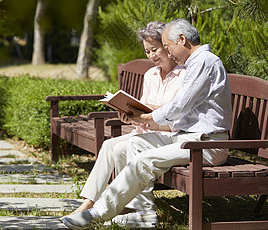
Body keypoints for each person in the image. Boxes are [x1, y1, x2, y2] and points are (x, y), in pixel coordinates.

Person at [61, 18, 232, 229]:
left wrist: (146, 117)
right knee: (135, 144)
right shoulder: (197, 62)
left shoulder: (205, 61)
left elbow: (180, 106)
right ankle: (143, 213)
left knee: (144, 159)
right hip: (189, 138)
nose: (169, 53)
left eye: (168, 47)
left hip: (206, 144)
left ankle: (98, 213)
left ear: (182, 40)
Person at [64, 21, 185, 218]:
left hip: (167, 136)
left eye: (155, 49)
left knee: (122, 148)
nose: (151, 56)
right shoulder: (150, 75)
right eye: (147, 52)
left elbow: (175, 115)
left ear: (167, 45)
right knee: (110, 145)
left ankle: (133, 207)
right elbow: (142, 111)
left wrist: (144, 116)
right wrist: (128, 116)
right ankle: (90, 201)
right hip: (146, 132)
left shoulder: (183, 76)